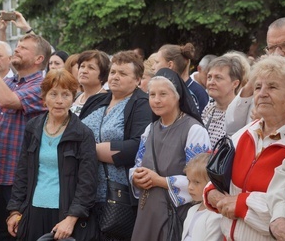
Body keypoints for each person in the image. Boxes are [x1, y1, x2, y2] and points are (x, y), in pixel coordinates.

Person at [204, 55, 285, 240]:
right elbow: (213, 183)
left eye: (272, 87)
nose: (262, 93)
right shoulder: (245, 133)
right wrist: (214, 195)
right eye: (258, 87)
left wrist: (240, 204)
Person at [6, 69, 98, 240]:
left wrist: (71, 219)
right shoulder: (33, 128)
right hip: (32, 211)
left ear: (73, 98)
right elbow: (22, 172)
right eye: (53, 94)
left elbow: (88, 183)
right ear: (44, 97)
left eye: (65, 95)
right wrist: (15, 210)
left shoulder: (83, 134)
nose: (59, 101)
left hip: (64, 215)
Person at [0, 32, 51, 240]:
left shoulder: (42, 86)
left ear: (39, 59)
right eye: (17, 45)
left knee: (18, 233)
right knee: (0, 231)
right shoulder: (10, 82)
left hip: (16, 178)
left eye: (24, 47)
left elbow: (8, 101)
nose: (17, 48)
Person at [129, 70, 211, 241]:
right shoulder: (150, 129)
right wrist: (136, 177)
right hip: (147, 211)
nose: (156, 100)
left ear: (178, 96)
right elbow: (138, 164)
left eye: (163, 94)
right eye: (152, 94)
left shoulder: (193, 130)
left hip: (175, 213)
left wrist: (160, 181)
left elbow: (201, 179)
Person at [79, 50, 152, 240]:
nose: (115, 77)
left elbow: (137, 147)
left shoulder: (141, 103)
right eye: (113, 72)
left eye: (123, 73)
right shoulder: (97, 100)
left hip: (117, 194)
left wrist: (89, 150)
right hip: (86, 189)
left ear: (137, 80)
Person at [225, 17, 285, 135]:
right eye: (272, 47)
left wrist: (270, 121)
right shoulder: (262, 83)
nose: (278, 53)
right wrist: (251, 84)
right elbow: (231, 127)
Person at [153, 43, 209, 114]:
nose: (153, 67)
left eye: (157, 62)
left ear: (170, 65)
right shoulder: (158, 88)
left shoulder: (198, 93)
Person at [201, 55, 244, 147]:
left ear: (235, 84)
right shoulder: (208, 109)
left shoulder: (239, 113)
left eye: (218, 78)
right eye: (209, 77)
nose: (211, 82)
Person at [181, 153, 222, 241]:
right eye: (189, 181)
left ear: (211, 183)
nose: (190, 187)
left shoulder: (215, 216)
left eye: (196, 182)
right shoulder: (192, 210)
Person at [71, 50, 110, 116]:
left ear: (102, 74)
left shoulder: (105, 100)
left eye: (91, 68)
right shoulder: (76, 96)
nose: (84, 71)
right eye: (82, 66)